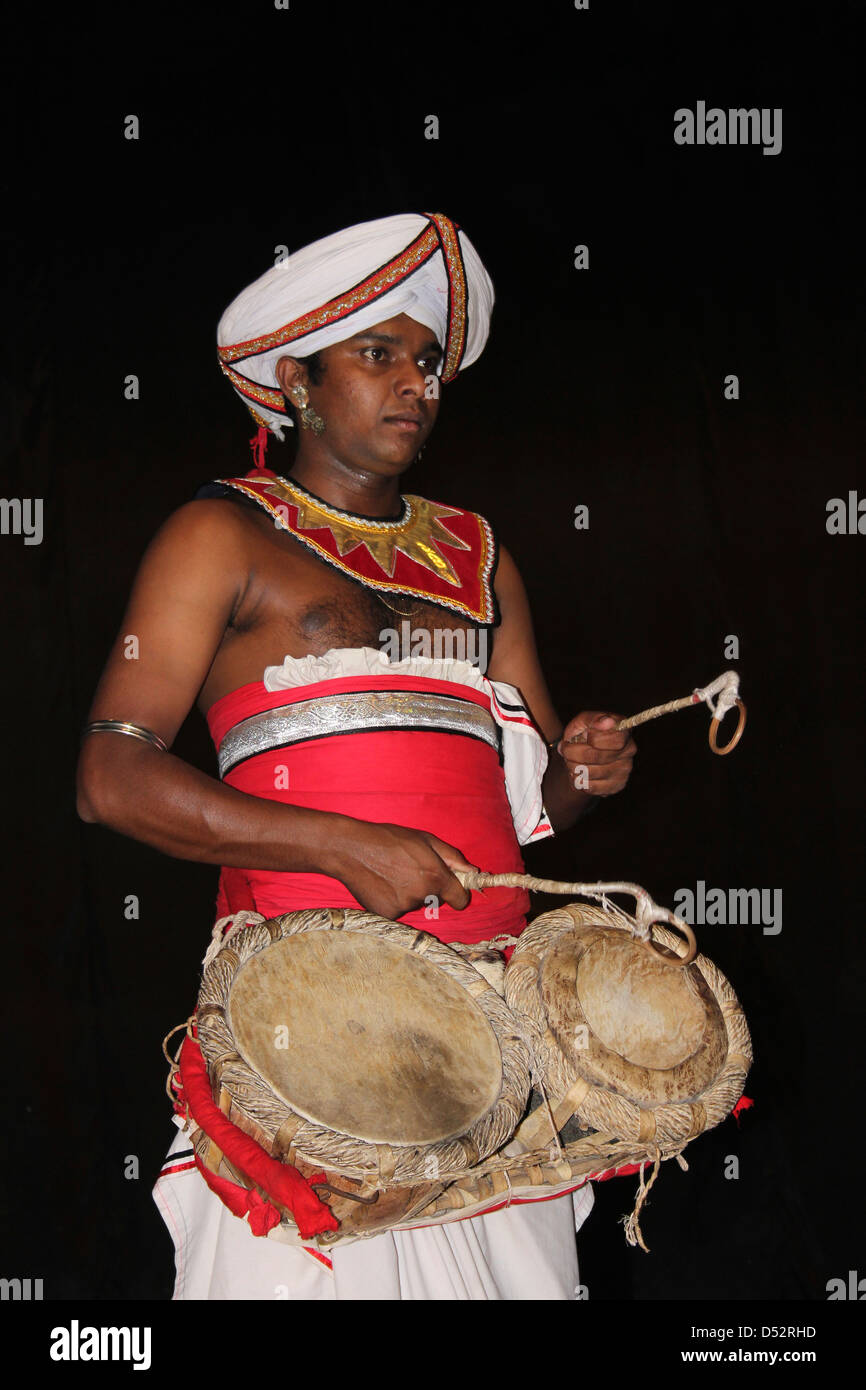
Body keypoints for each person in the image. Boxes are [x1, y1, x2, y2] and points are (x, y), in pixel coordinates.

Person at [76, 212, 636, 1300]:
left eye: (426, 362)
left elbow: (531, 812)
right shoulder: (223, 536)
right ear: (295, 380)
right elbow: (110, 776)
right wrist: (340, 844)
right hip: (309, 1026)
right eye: (375, 356)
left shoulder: (477, 560)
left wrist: (581, 768)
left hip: (495, 1031)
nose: (413, 385)